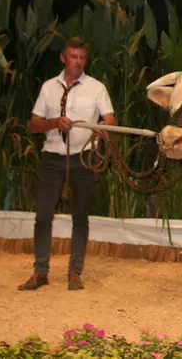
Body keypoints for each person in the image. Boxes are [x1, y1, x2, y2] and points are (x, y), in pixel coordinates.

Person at [18, 37, 116, 291]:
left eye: (82, 58)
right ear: (63, 58)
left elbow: (110, 119)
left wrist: (105, 127)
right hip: (52, 158)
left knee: (80, 218)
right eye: (73, 57)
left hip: (83, 158)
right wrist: (54, 123)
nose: (78, 62)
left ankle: (75, 273)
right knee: (42, 217)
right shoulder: (49, 88)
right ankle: (40, 272)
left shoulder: (96, 88)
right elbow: (33, 124)